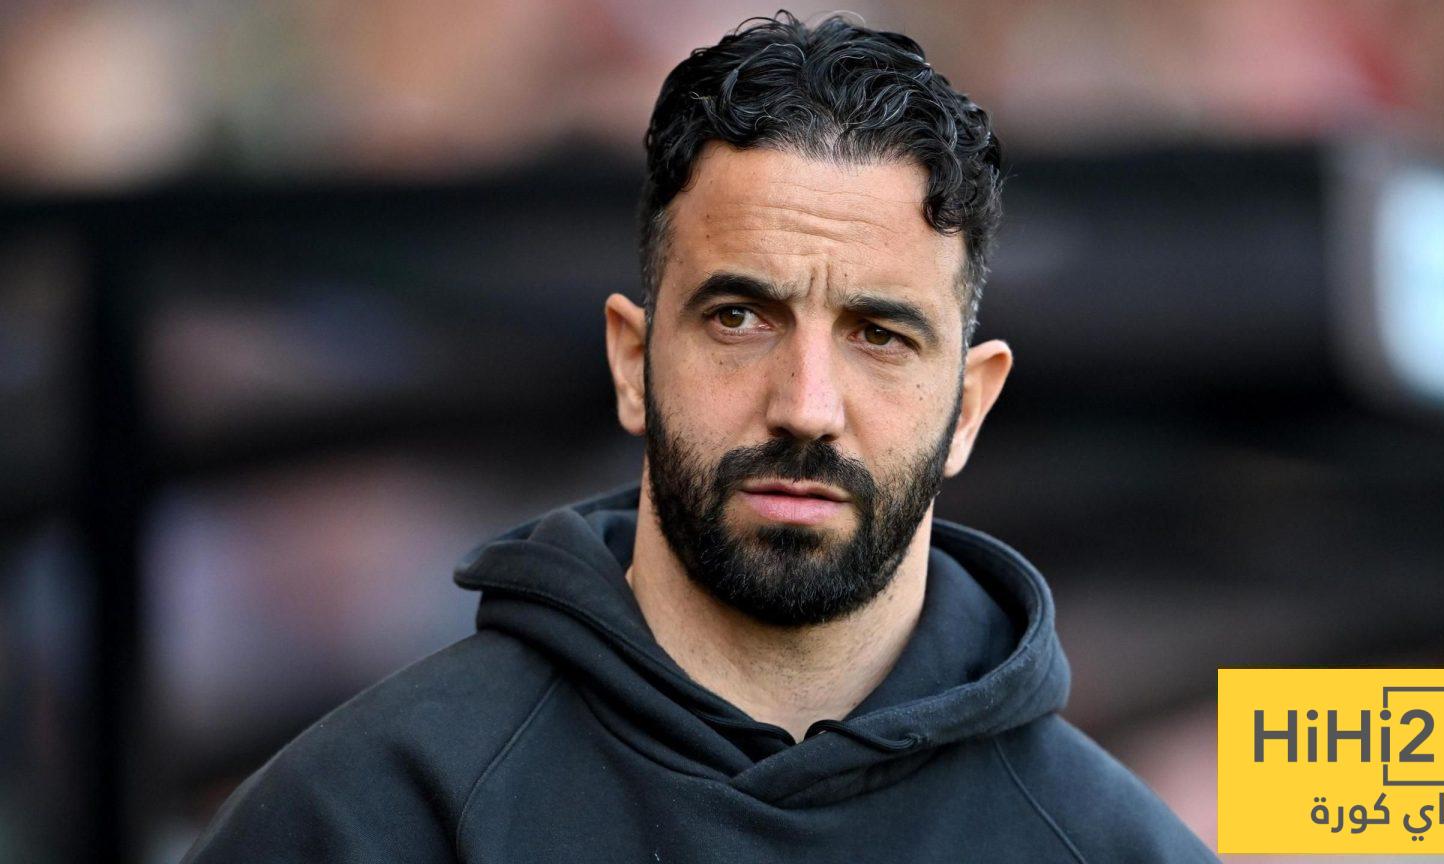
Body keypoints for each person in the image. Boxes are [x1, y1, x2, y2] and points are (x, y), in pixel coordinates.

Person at [184, 13, 1217, 862]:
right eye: (739, 318)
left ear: (970, 406)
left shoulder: (1114, 848)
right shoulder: (361, 815)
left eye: (879, 335)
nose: (806, 404)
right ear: (631, 361)